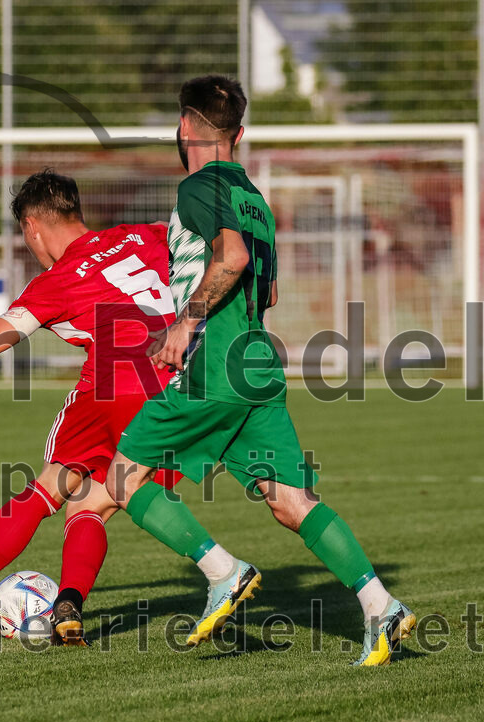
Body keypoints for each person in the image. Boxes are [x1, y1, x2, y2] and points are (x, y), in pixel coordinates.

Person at [105, 76, 415, 666]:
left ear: (184, 127)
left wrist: (186, 320)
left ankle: (223, 571)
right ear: (239, 134)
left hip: (216, 365)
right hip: (257, 364)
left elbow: (235, 257)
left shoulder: (199, 185)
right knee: (289, 499)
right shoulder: (256, 197)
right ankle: (380, 606)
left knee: (121, 480)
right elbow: (266, 288)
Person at [0, 169, 254, 645]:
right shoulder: (149, 234)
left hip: (119, 380)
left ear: (32, 226)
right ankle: (69, 605)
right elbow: (217, 259)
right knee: (94, 500)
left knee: (52, 483)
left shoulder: (56, 281)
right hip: (189, 379)